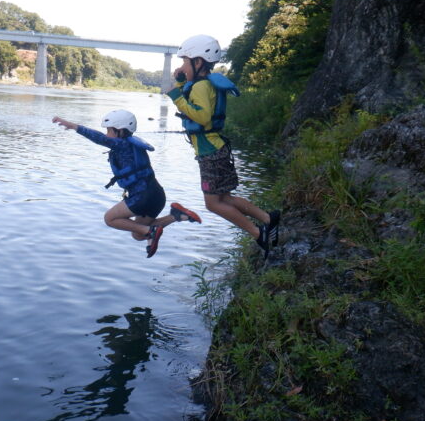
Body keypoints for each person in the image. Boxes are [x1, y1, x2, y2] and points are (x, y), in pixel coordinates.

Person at [166, 34, 280, 258]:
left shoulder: (200, 87)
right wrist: (180, 83)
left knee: (213, 204)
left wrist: (176, 97)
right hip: (217, 149)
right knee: (224, 199)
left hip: (210, 153)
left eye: (185, 62)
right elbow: (192, 95)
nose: (182, 66)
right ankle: (269, 218)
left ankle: (258, 233)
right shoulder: (202, 83)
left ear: (198, 62)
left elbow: (202, 117)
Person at [52, 109, 201, 258]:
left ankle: (151, 232)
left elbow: (99, 138)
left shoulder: (123, 145)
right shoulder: (131, 144)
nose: (106, 134)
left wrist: (74, 126)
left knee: (110, 218)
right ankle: (177, 215)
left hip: (143, 196)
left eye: (109, 131)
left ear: (120, 131)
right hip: (156, 194)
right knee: (137, 234)